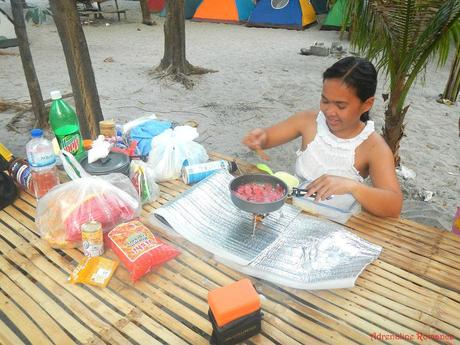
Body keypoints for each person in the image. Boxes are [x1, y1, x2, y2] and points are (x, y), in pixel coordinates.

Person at [243, 57, 403, 218]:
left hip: (337, 222)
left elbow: (394, 206)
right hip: (296, 210)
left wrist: (352, 187)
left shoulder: (373, 146)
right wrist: (260, 138)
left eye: (341, 106)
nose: (330, 111)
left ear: (367, 104)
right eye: (325, 101)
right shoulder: (308, 121)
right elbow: (268, 138)